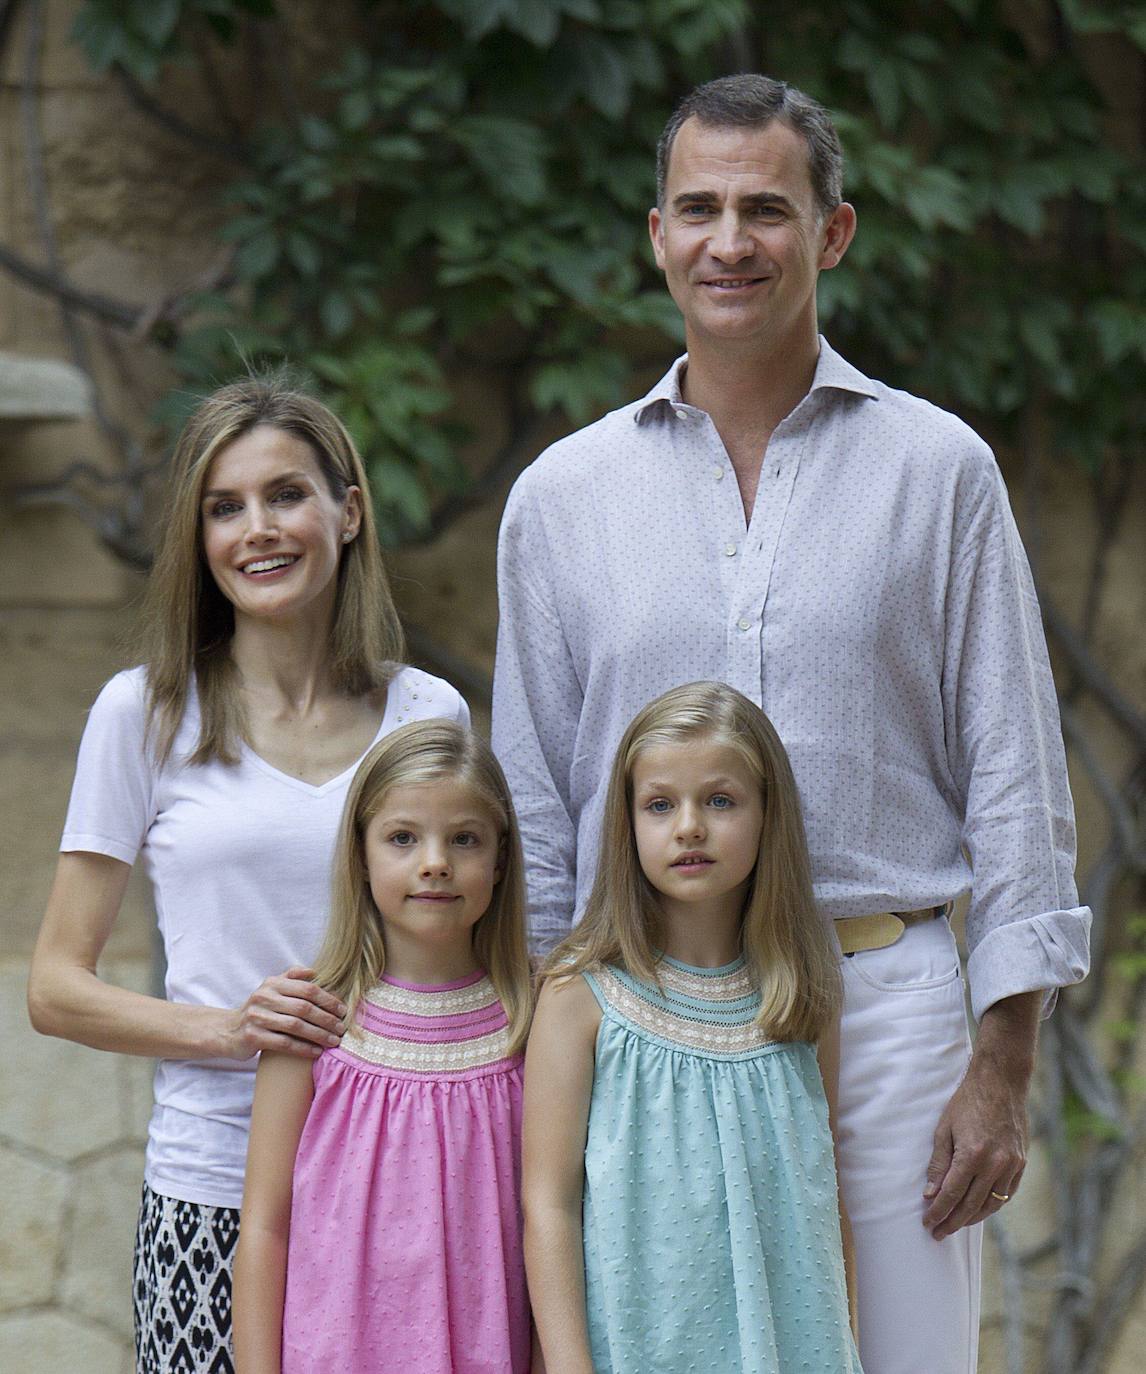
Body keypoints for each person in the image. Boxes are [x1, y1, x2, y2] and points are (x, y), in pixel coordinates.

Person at [492, 74, 1091, 1374]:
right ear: (654, 234)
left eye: (765, 207)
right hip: (642, 1017)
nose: (729, 241)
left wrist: (1002, 1056)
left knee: (907, 1359)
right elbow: (535, 799)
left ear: (831, 232)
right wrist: (532, 1051)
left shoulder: (938, 473)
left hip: (885, 1005)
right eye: (697, 208)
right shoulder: (562, 498)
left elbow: (1010, 762)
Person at [28, 375, 469, 1374]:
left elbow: (463, 956)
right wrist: (227, 1028)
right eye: (224, 508)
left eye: (285, 496)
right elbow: (55, 987)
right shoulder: (142, 713)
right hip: (211, 1187)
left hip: (391, 1183)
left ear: (347, 512)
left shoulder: (426, 714)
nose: (256, 529)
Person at [524, 681, 861, 1374]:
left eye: (720, 800)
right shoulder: (581, 995)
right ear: (628, 824)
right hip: (641, 1346)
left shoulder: (802, 996)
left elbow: (827, 1197)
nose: (689, 827)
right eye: (659, 804)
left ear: (769, 815)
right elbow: (549, 1203)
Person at [233, 719, 534, 1374]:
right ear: (361, 857)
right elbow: (264, 1227)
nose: (435, 861)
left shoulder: (536, 1021)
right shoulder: (312, 1022)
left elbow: (558, 1222)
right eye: (403, 837)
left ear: (501, 859)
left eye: (465, 839)